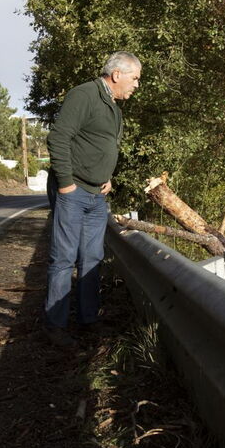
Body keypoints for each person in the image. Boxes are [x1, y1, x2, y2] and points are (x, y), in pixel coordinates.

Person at [44, 51, 141, 348]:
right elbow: (59, 138)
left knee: (92, 259)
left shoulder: (113, 107)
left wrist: (106, 176)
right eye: (135, 78)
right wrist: (66, 185)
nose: (137, 85)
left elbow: (100, 144)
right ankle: (55, 327)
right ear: (116, 75)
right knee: (64, 259)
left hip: (97, 195)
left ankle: (88, 321)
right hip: (73, 192)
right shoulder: (83, 95)